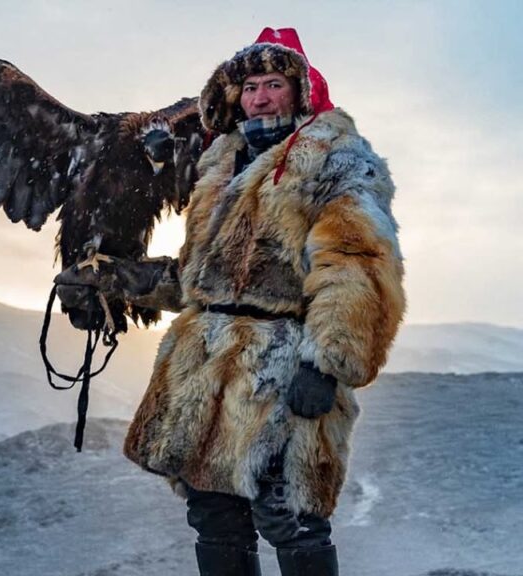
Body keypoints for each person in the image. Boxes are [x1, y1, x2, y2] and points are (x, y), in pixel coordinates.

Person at [116, 28, 406, 575]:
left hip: (285, 363)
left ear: (299, 92)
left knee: (290, 519)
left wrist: (328, 363)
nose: (260, 97)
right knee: (214, 516)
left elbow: (357, 260)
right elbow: (203, 280)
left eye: (274, 83)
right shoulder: (220, 164)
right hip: (205, 367)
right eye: (249, 86)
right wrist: (122, 282)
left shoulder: (336, 159)